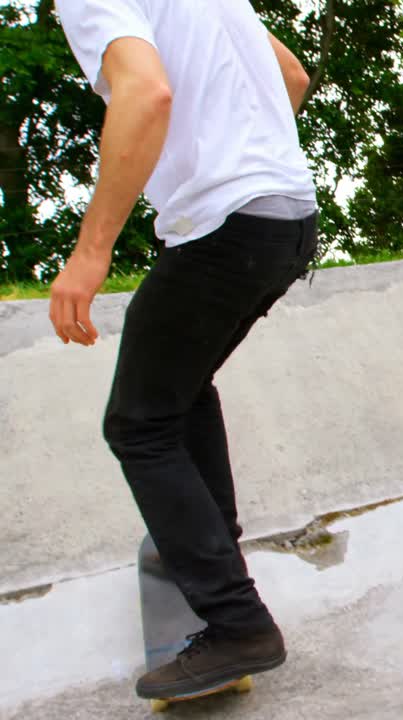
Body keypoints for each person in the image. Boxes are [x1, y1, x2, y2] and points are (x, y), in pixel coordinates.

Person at [51, 0, 319, 700]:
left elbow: (146, 93)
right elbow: (291, 75)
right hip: (289, 218)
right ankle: (211, 547)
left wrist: (90, 252)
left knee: (136, 423)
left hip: (227, 227)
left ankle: (238, 624)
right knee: (181, 386)